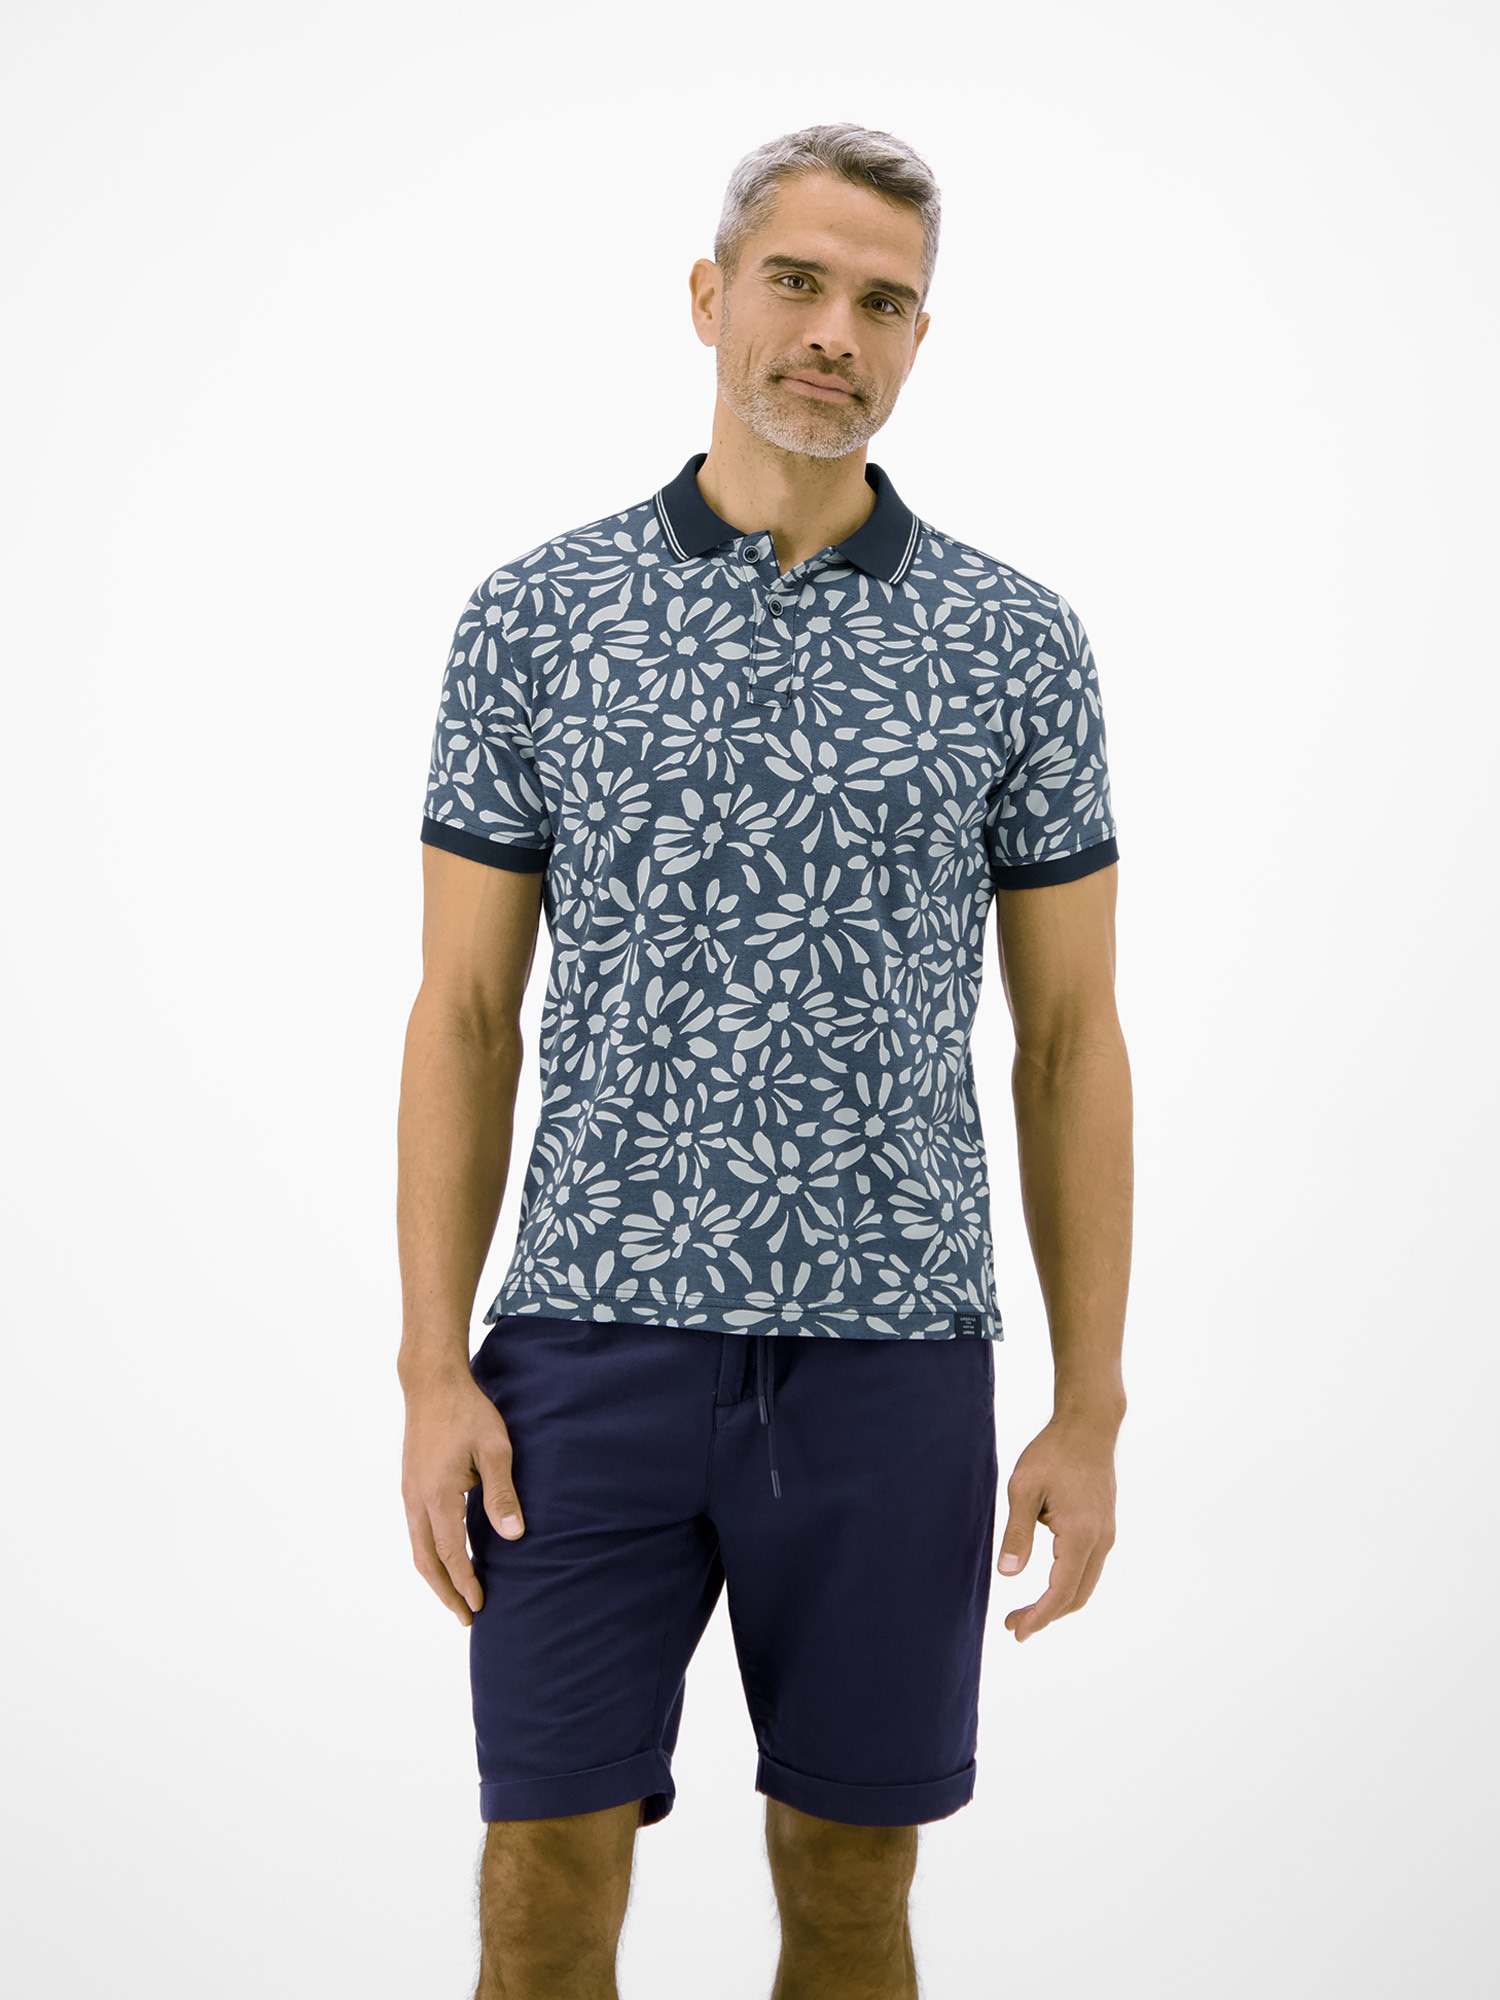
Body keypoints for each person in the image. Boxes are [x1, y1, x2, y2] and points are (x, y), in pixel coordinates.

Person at [397, 121, 1131, 2000]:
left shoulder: (1014, 644)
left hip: (895, 1361)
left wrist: (1090, 1404)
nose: (833, 333)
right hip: (585, 1353)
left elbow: (1069, 1041)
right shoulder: (538, 618)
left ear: (917, 342)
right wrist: (429, 1365)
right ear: (710, 297)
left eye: (883, 303)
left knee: (853, 1892)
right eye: (797, 282)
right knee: (541, 1888)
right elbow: (464, 1013)